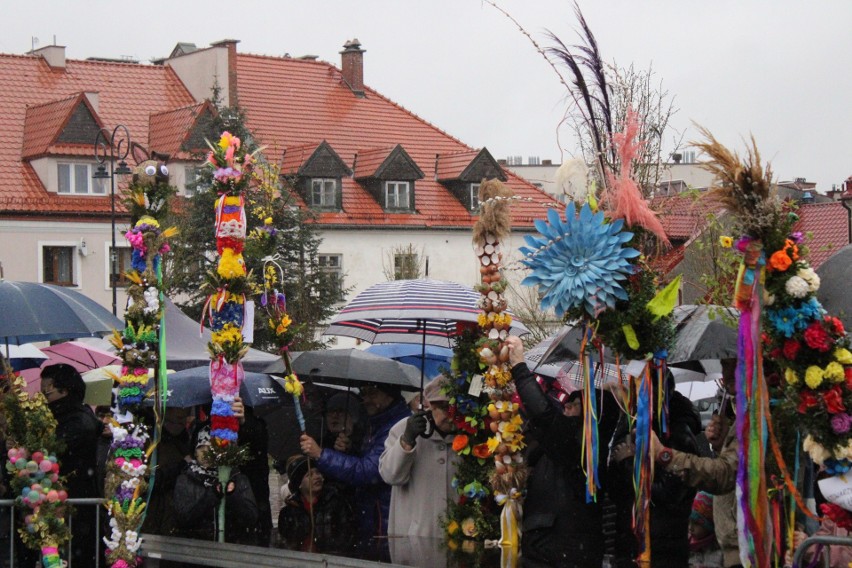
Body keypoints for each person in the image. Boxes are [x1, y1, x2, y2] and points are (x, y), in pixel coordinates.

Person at [504, 336, 621, 567]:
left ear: (591, 414)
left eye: (574, 403)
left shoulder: (582, 443)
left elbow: (544, 414)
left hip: (561, 549)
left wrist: (519, 366)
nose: (565, 406)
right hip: (549, 545)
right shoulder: (570, 441)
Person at [649, 358, 740, 568]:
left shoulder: (758, 414)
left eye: (731, 365)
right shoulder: (742, 415)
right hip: (734, 544)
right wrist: (720, 446)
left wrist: (664, 455)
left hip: (750, 546)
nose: (725, 374)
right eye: (723, 366)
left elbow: (725, 475)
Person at [610, 366, 703, 568]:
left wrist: (629, 463)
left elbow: (668, 494)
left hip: (662, 548)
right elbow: (616, 490)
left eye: (642, 391)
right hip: (630, 544)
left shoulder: (679, 435)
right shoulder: (631, 426)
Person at [299, 381, 411, 542]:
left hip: (386, 522)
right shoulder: (375, 422)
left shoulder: (397, 426)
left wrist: (321, 454)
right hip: (372, 518)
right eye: (363, 393)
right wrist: (350, 449)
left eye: (372, 393)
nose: (366, 399)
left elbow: (370, 471)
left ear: (389, 394)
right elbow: (367, 459)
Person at [41, 363, 104, 565]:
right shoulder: (59, 417)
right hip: (56, 505)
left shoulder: (79, 421)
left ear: (65, 390)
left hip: (77, 508)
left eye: (47, 394)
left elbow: (55, 448)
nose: (43, 400)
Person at [379, 375, 458, 538]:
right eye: (445, 408)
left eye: (456, 409)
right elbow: (390, 475)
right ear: (431, 406)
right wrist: (407, 440)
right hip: (413, 538)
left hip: (455, 539)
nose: (451, 416)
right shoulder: (403, 428)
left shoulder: (469, 434)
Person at [173, 426, 259, 544]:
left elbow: (251, 517)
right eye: (202, 449)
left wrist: (231, 495)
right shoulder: (186, 479)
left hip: (232, 548)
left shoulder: (238, 478)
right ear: (195, 452)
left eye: (212, 449)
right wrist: (212, 495)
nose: (206, 455)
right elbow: (183, 518)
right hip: (196, 548)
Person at [277, 454, 355, 552]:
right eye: (309, 475)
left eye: (318, 472)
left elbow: (347, 533)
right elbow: (286, 540)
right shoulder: (288, 512)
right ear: (299, 484)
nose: (316, 477)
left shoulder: (337, 503)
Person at [689, 491, 723, 567]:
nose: (690, 528)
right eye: (689, 522)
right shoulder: (688, 545)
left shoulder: (720, 548)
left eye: (696, 524)